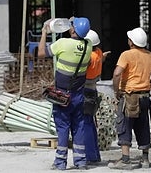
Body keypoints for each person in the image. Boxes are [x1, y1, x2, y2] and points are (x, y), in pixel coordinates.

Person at [38, 17, 92, 170]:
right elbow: (80, 34)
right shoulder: (88, 46)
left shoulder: (63, 44)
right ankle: (81, 161)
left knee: (62, 127)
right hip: (78, 94)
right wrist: (73, 23)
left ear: (74, 30)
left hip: (62, 95)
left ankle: (60, 162)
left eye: (72, 25)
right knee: (78, 126)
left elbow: (41, 53)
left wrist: (44, 32)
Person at [108, 27, 151, 170]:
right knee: (142, 125)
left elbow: (116, 74)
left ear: (131, 42)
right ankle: (145, 159)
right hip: (145, 97)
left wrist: (117, 90)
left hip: (130, 96)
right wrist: (149, 86)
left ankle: (125, 160)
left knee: (124, 125)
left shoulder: (126, 55)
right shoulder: (150, 56)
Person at [83, 29, 111, 164]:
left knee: (85, 124)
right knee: (90, 123)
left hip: (85, 90)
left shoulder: (88, 56)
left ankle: (90, 157)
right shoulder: (98, 53)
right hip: (93, 90)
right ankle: (94, 154)